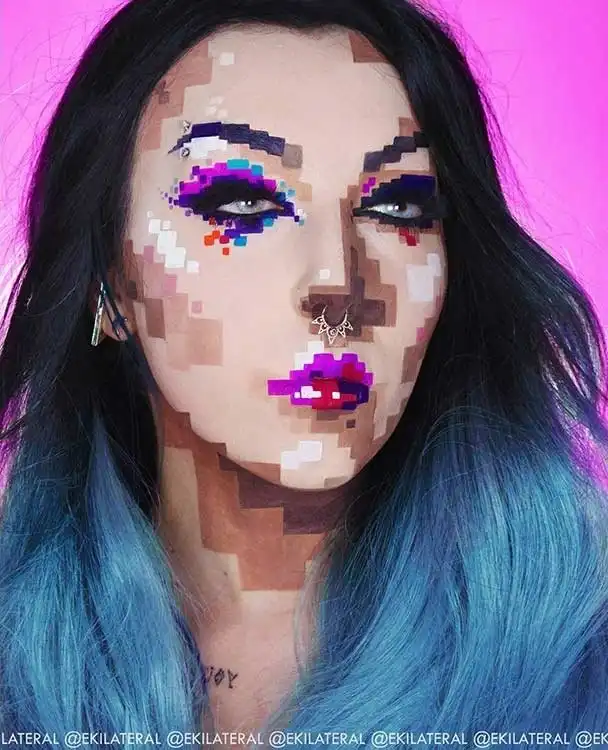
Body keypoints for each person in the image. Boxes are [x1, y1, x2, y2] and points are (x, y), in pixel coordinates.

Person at [1, 0, 607, 742]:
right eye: (242, 201)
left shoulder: (579, 651)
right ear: (111, 281)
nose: (338, 283)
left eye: (397, 207)